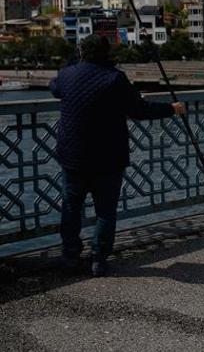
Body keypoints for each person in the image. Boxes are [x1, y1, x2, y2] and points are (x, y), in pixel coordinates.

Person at [50, 35, 185, 276]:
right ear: (107, 53)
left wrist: (73, 64)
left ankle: (69, 255)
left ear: (81, 52)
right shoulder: (115, 79)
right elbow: (139, 110)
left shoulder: (67, 75)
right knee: (105, 211)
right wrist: (171, 109)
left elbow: (55, 89)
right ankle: (99, 260)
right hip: (108, 159)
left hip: (73, 156)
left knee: (71, 207)